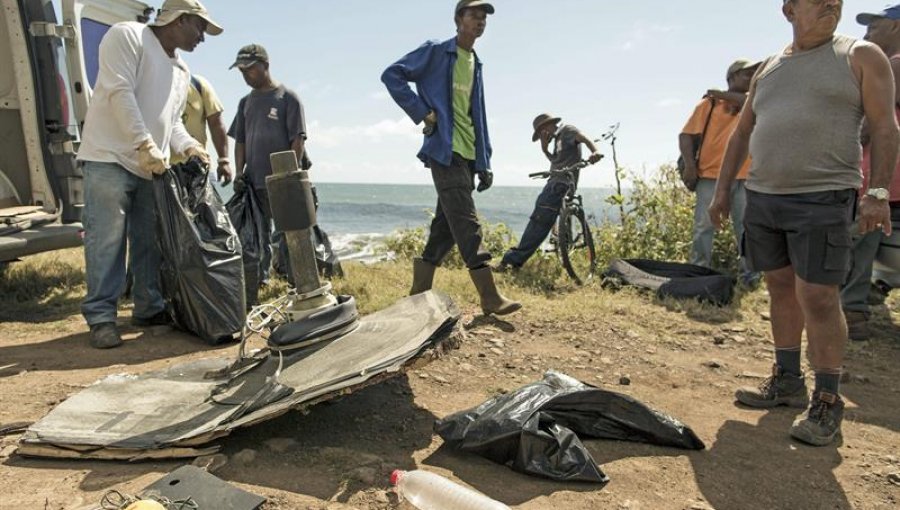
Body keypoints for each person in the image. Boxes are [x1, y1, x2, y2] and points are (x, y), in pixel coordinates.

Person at [709, 0, 898, 446]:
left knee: (818, 295)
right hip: (763, 196)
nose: (832, 3)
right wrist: (721, 192)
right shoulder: (770, 67)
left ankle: (828, 400)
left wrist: (877, 194)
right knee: (779, 286)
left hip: (823, 196)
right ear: (790, 9)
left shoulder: (860, 55)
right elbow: (742, 132)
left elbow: (885, 127)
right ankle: (787, 381)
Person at [77, 0, 221, 349]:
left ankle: (148, 308)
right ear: (180, 18)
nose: (203, 37)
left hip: (150, 166)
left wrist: (190, 147)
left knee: (148, 241)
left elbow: (170, 123)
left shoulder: (182, 70)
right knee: (107, 239)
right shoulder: (128, 35)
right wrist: (143, 142)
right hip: (109, 156)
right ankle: (101, 318)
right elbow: (117, 90)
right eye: (200, 27)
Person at [381, 0, 520, 316]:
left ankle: (418, 292)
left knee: (445, 226)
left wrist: (484, 161)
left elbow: (478, 116)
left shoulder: (476, 63)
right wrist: (421, 113)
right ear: (458, 19)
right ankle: (489, 296)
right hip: (444, 151)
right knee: (467, 222)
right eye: (474, 15)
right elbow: (392, 75)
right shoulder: (436, 51)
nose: (480, 21)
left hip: (469, 153)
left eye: (484, 17)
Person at [841, 5, 900, 340]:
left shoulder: (893, 65)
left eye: (873, 27)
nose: (866, 35)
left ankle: (851, 312)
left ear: (894, 27)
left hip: (877, 175)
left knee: (857, 242)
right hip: (889, 178)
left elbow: (873, 127)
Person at [228, 44, 308, 288]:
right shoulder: (245, 103)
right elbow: (240, 141)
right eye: (241, 71)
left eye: (250, 70)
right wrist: (238, 173)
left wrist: (289, 175)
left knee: (289, 234)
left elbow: (298, 139)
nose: (245, 75)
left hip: (282, 180)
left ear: (265, 66)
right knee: (258, 237)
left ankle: (295, 281)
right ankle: (260, 281)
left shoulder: (287, 98)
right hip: (254, 182)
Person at [679, 59, 759, 285]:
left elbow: (747, 101)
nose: (752, 78)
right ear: (732, 77)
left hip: (745, 177)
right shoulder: (709, 105)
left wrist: (722, 94)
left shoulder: (753, 103)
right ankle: (697, 272)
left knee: (746, 229)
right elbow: (686, 135)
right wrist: (690, 166)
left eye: (755, 74)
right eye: (747, 74)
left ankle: (750, 277)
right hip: (711, 175)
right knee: (704, 227)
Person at [497, 114, 602, 270]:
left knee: (539, 220)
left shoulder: (567, 131)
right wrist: (545, 150)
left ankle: (513, 260)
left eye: (540, 133)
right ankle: (563, 250)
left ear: (545, 127)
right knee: (548, 217)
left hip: (560, 183)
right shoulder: (557, 140)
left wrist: (595, 152)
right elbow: (556, 161)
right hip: (557, 182)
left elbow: (584, 138)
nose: (541, 136)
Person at [170, 74, 232, 185]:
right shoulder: (151, 86)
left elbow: (216, 123)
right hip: (161, 168)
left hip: (196, 167)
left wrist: (224, 160)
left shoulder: (198, 84)